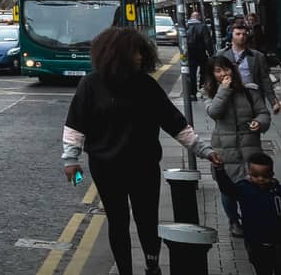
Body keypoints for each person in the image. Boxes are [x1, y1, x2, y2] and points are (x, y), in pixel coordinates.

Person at [62, 27, 220, 275]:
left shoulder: (146, 85)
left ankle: (151, 263)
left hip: (143, 166)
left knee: (147, 219)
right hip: (106, 168)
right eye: (134, 52)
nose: (139, 57)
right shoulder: (91, 85)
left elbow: (174, 122)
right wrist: (71, 160)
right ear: (117, 54)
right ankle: (125, 270)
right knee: (118, 220)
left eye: (141, 52)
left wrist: (204, 150)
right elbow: (75, 125)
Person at [208, 54, 271, 237]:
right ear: (212, 74)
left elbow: (263, 113)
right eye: (218, 70)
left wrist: (259, 123)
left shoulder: (250, 91)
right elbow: (214, 112)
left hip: (249, 145)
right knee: (228, 189)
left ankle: (253, 218)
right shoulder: (209, 93)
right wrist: (224, 90)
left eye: (226, 69)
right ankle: (234, 221)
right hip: (224, 148)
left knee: (254, 185)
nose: (223, 73)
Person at [212, 153, 281, 274]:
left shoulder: (280, 191)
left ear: (272, 174)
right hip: (255, 241)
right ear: (249, 173)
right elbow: (227, 189)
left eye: (265, 176)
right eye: (256, 176)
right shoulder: (244, 188)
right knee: (262, 268)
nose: (261, 179)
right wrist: (220, 170)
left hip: (279, 241)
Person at [228, 23, 281, 114]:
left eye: (244, 34)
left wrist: (273, 102)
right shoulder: (222, 55)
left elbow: (265, 80)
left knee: (256, 124)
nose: (241, 37)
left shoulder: (257, 56)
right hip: (231, 97)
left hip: (253, 96)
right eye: (238, 34)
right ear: (232, 36)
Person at [186, 8, 213, 96]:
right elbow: (207, 41)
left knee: (192, 72)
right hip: (201, 52)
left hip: (189, 53)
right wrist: (211, 53)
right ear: (199, 17)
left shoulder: (185, 26)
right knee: (204, 71)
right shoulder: (203, 26)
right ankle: (202, 88)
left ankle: (192, 92)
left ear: (191, 17)